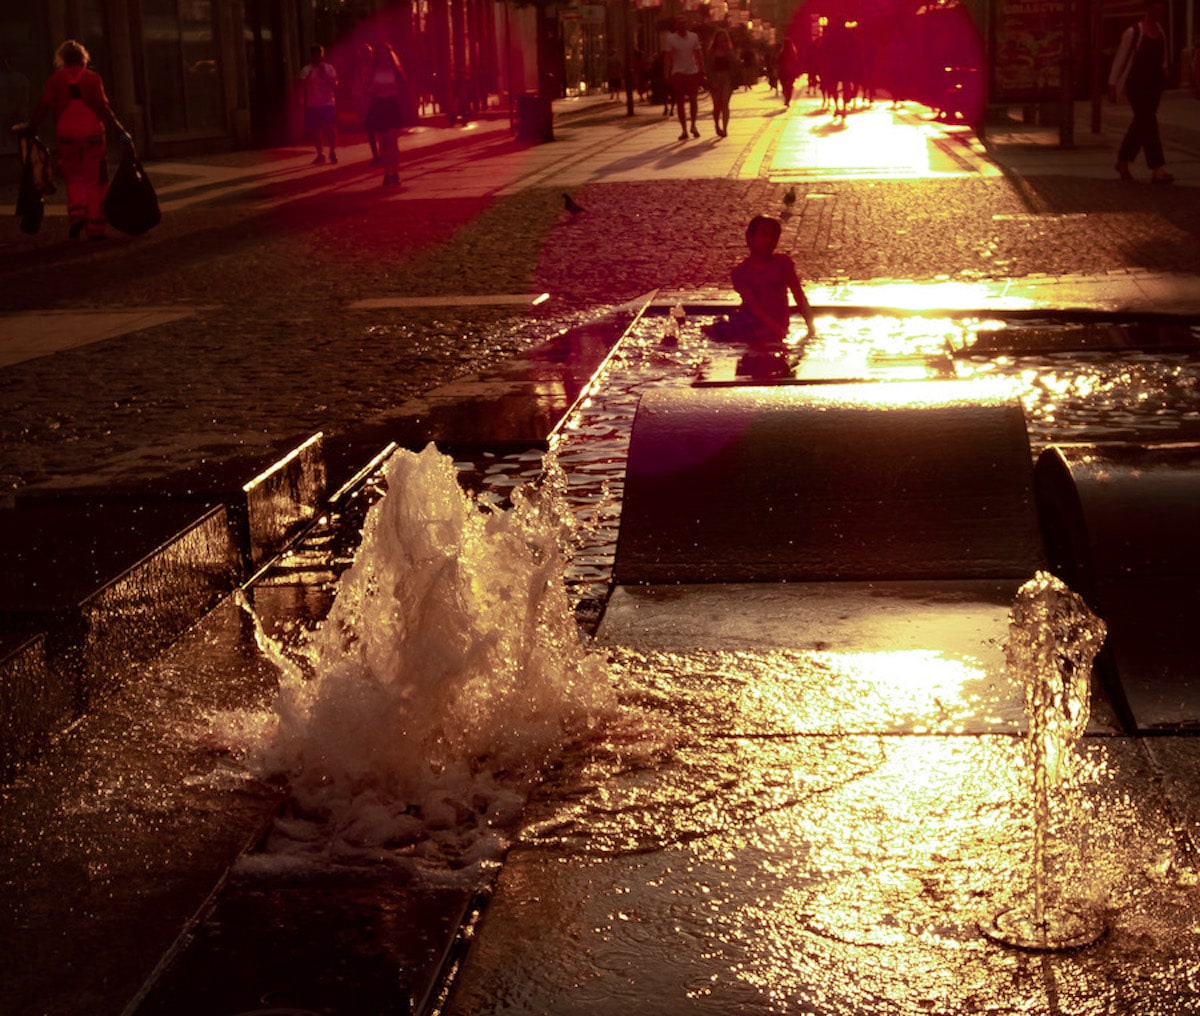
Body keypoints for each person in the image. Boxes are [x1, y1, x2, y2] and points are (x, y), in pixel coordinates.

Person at [24, 39, 130, 240]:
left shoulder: (56, 80)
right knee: (95, 180)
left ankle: (77, 215)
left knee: (73, 176)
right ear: (83, 58)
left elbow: (43, 106)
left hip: (66, 132)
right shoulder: (92, 78)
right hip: (91, 132)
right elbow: (102, 108)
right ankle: (95, 227)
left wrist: (32, 127)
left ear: (63, 60)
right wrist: (119, 130)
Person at [1108, 0, 1173, 184]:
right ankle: (1157, 167)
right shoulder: (1134, 32)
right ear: (1148, 8)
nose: (1159, 10)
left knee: (1143, 123)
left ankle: (1122, 161)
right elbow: (1120, 59)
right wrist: (1112, 83)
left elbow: (1164, 57)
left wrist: (1165, 70)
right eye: (1156, 6)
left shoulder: (1161, 32)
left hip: (1154, 85)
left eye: (1162, 8)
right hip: (1136, 84)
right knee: (1147, 120)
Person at [728, 215, 816, 344]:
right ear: (750, 238)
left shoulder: (783, 264)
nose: (769, 241)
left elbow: (799, 295)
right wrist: (777, 328)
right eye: (764, 235)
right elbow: (754, 308)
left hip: (776, 329)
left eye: (774, 237)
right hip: (752, 328)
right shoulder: (740, 273)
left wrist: (811, 327)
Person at [364, 43, 407, 186]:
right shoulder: (372, 71)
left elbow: (403, 86)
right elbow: (368, 88)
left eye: (385, 53)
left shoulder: (395, 70)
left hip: (392, 104)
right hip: (379, 105)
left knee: (392, 140)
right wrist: (374, 88)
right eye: (379, 53)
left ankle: (395, 172)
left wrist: (391, 87)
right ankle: (387, 173)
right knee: (382, 142)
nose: (382, 56)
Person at [663, 17, 704, 140]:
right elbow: (668, 57)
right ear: (676, 25)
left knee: (693, 100)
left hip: (692, 72)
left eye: (684, 22)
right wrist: (666, 74)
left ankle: (693, 125)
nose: (682, 25)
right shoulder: (671, 39)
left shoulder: (693, 37)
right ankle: (684, 129)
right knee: (680, 103)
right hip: (678, 73)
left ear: (687, 24)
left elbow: (698, 54)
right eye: (679, 23)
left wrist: (702, 69)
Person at [301, 44, 338, 165]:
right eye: (314, 55)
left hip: (327, 103)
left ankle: (332, 151)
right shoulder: (306, 70)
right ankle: (320, 153)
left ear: (322, 55)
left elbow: (335, 85)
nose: (316, 58)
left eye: (319, 55)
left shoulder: (329, 68)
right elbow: (302, 86)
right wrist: (301, 99)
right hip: (313, 104)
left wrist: (325, 76)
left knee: (330, 128)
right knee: (315, 130)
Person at [707, 30, 736, 137]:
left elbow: (734, 65)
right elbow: (708, 67)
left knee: (725, 103)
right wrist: (711, 80)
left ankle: (725, 128)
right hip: (715, 79)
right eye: (720, 38)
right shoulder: (711, 53)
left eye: (724, 39)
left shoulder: (729, 52)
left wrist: (729, 52)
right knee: (716, 105)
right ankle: (716, 125)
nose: (722, 41)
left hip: (727, 79)